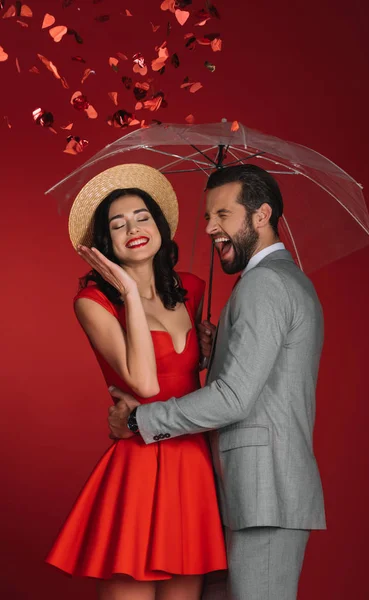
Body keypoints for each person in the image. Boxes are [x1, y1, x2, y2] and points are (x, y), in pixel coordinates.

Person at [107, 164, 326, 600]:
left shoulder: (264, 284)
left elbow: (233, 399)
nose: (209, 228)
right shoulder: (281, 280)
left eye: (222, 215)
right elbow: (263, 382)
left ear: (260, 216)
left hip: (264, 496)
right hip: (252, 494)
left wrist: (139, 420)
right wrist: (215, 351)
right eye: (208, 216)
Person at [46, 164, 227, 600]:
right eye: (118, 224)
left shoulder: (193, 288)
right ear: (106, 242)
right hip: (140, 464)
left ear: (160, 224)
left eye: (143, 216)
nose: (134, 228)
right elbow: (145, 385)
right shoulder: (93, 303)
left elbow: (190, 376)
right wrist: (128, 291)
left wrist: (209, 349)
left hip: (193, 463)